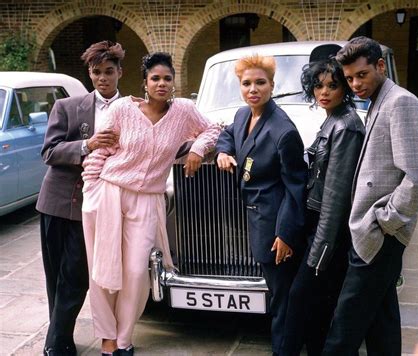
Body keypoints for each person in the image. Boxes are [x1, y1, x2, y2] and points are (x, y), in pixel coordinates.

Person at [81, 52, 221, 356]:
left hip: (148, 200)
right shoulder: (122, 109)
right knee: (104, 270)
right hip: (109, 193)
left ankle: (124, 336)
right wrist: (91, 193)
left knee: (135, 272)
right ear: (145, 82)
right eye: (155, 78)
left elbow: (213, 129)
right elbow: (99, 151)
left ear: (174, 83)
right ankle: (107, 338)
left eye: (167, 79)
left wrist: (197, 148)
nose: (161, 83)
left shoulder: (184, 110)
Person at [321, 36, 418, 355]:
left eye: (362, 75)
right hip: (372, 231)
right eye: (350, 78)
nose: (355, 84)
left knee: (345, 324)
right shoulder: (377, 100)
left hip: (379, 234)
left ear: (380, 66)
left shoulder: (401, 102)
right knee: (381, 318)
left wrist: (385, 222)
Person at [36, 40, 124, 356]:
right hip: (56, 203)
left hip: (98, 207)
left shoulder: (132, 109)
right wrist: (87, 144)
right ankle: (59, 341)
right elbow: (49, 152)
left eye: (109, 71)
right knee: (55, 276)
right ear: (89, 73)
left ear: (119, 73)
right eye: (96, 72)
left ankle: (54, 343)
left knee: (76, 277)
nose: (102, 78)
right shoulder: (67, 107)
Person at [215, 54, 307, 355]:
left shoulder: (284, 131)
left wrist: (286, 234)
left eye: (260, 83)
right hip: (255, 218)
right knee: (277, 294)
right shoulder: (244, 115)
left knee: (283, 300)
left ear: (272, 86)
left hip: (274, 226)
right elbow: (228, 134)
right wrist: (223, 152)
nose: (253, 89)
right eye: (247, 83)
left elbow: (296, 188)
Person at [280, 44, 365, 356]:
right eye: (318, 85)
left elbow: (336, 197)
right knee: (317, 311)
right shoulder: (332, 120)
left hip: (329, 232)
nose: (324, 92)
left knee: (300, 299)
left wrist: (319, 253)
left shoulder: (346, 126)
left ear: (345, 86)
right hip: (316, 225)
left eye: (332, 85)